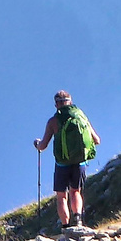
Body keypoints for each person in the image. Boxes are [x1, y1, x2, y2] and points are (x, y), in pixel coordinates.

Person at [33, 90, 101, 228]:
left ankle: (65, 226)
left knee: (61, 196)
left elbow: (43, 146)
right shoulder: (81, 117)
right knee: (75, 191)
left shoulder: (53, 121)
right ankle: (78, 220)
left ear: (56, 104)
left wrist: (37, 144)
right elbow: (97, 140)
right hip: (80, 162)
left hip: (62, 163)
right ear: (70, 102)